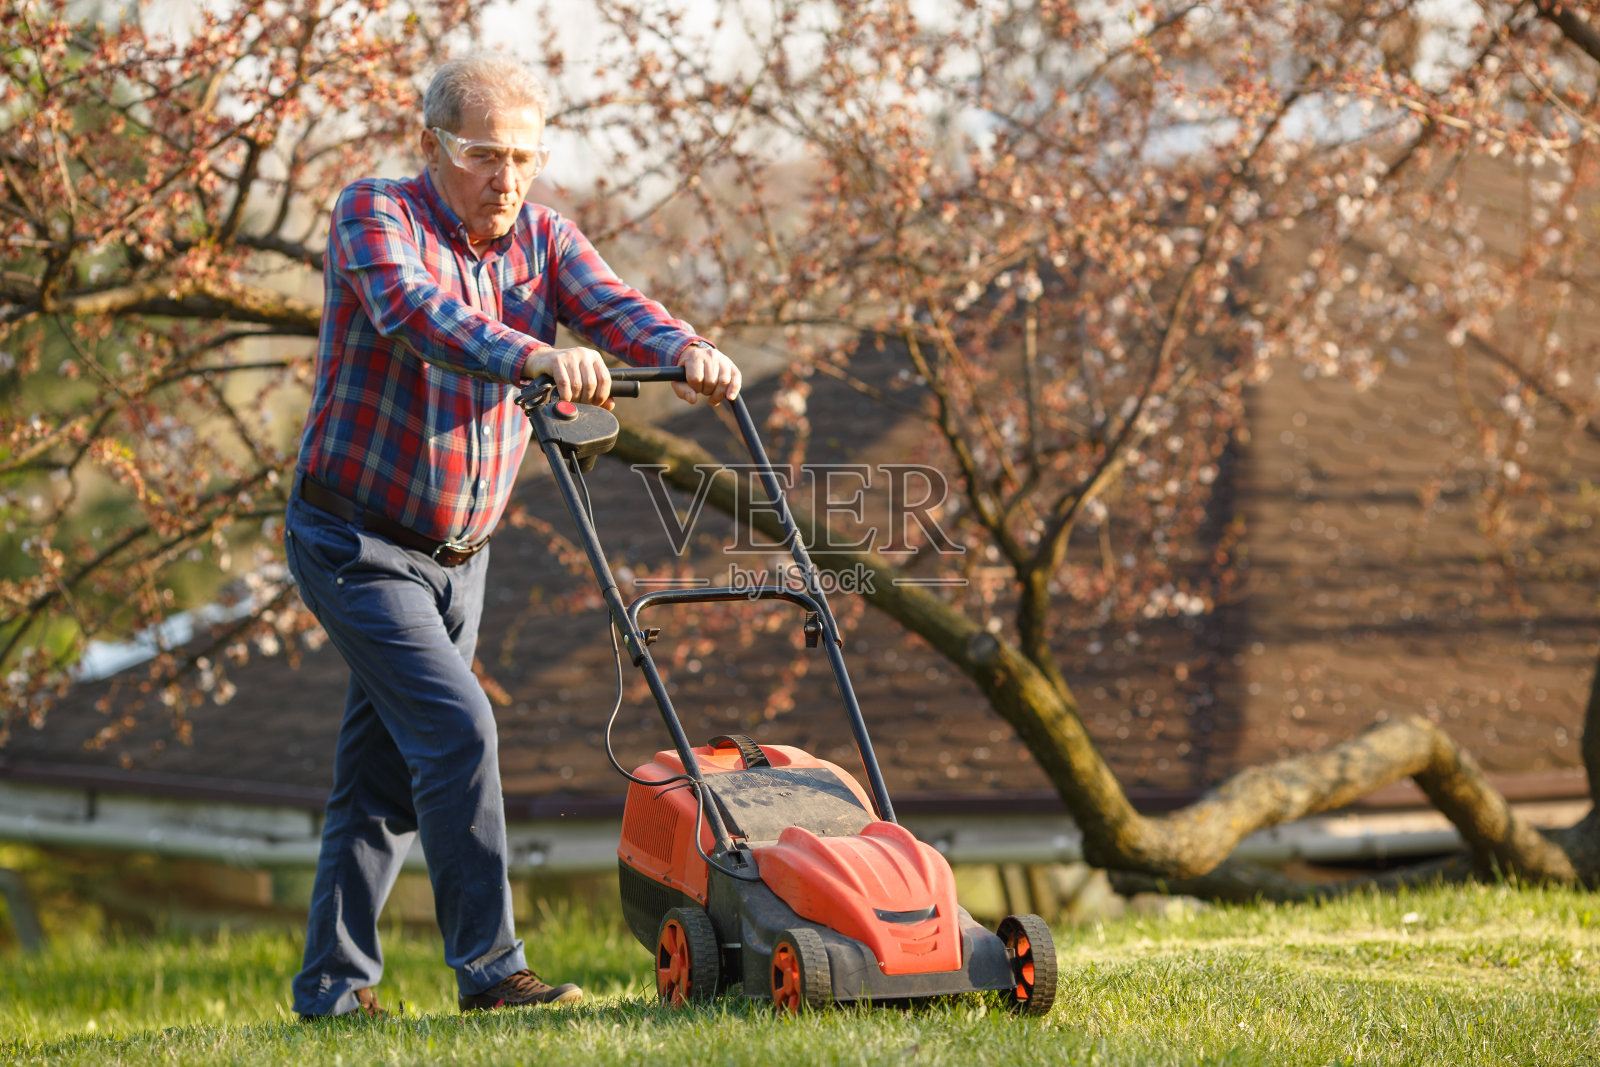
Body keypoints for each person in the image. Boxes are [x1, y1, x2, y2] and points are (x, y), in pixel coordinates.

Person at [284, 52, 739, 1019]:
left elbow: (614, 305)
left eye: (526, 159)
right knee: (457, 730)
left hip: (463, 556)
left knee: (380, 773)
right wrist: (534, 351)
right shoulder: (374, 213)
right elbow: (417, 314)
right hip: (353, 542)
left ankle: (331, 988)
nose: (509, 180)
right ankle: (492, 974)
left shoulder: (544, 237)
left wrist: (683, 349)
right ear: (431, 146)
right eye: (487, 155)